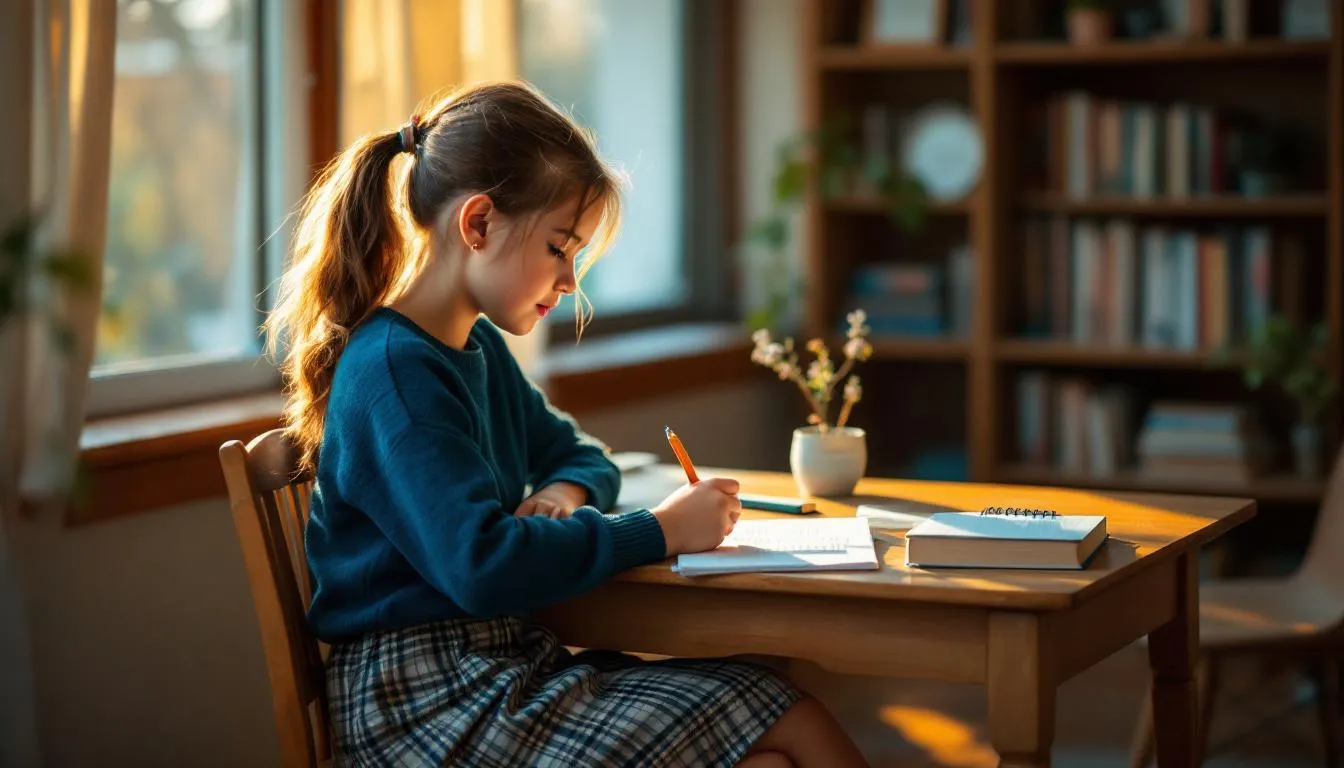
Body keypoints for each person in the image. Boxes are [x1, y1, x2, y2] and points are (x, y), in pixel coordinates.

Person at [264, 81, 869, 768]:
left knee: (768, 747)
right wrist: (660, 531)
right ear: (479, 223)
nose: (570, 280)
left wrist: (565, 494)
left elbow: (583, 455)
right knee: (781, 707)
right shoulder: (396, 372)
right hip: (422, 702)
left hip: (497, 666)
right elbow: (482, 565)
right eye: (559, 248)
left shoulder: (475, 348)